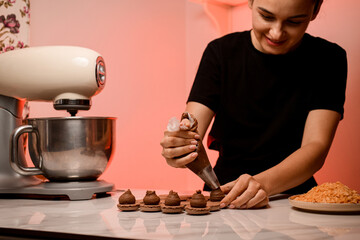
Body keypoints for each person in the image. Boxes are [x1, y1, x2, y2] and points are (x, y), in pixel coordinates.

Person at [160, 0, 347, 209]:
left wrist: (261, 184)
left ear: (316, 10)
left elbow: (316, 147)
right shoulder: (220, 53)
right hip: (223, 195)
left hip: (293, 201)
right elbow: (191, 130)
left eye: (294, 22)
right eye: (266, 17)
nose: (276, 33)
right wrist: (179, 147)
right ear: (250, 1)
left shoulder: (329, 59)